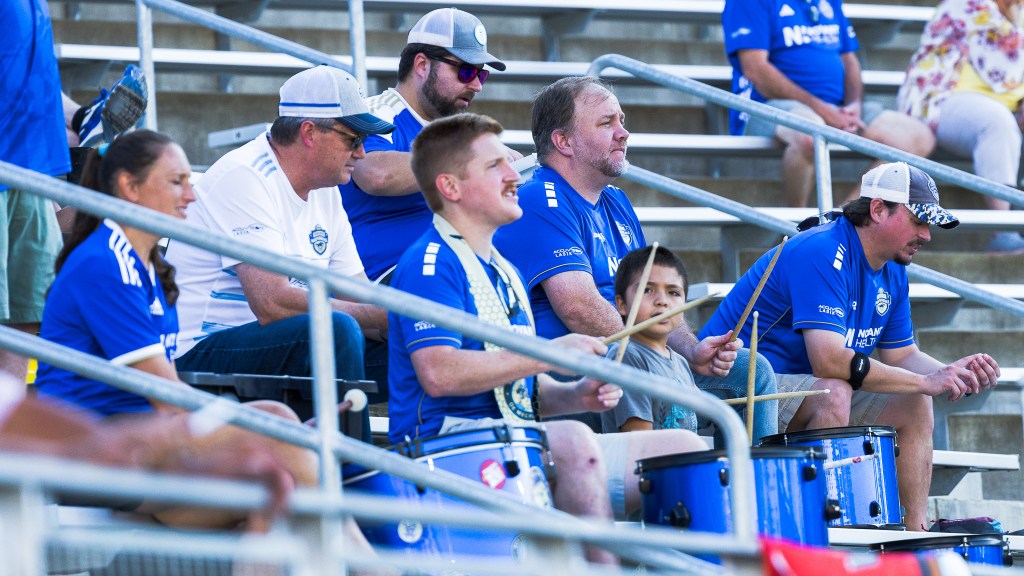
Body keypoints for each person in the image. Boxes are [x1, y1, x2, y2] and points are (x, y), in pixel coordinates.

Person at [389, 113, 707, 562]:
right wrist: (546, 353)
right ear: (451, 187)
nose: (513, 173)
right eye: (495, 165)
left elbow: (518, 392)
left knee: (683, 450)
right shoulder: (430, 262)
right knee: (574, 442)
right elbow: (440, 374)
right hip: (445, 452)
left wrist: (579, 394)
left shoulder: (505, 270)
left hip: (515, 438)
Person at [32, 130, 316, 530]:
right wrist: (267, 426)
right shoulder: (103, 263)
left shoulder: (148, 266)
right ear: (130, 187)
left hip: (142, 444)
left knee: (273, 479)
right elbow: (169, 399)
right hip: (95, 449)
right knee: (279, 430)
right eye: (176, 182)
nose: (191, 196)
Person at [698, 161, 1002, 531]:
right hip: (730, 386)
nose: (927, 235)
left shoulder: (894, 266)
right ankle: (820, 531)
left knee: (913, 400)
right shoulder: (822, 250)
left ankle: (915, 533)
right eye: (919, 221)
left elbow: (902, 355)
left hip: (801, 391)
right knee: (834, 391)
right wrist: (924, 380)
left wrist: (950, 373)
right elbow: (829, 361)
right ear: (877, 209)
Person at [493, 76, 778, 442]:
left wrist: (691, 352)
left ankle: (751, 491)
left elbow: (650, 298)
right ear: (563, 141)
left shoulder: (617, 202)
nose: (623, 133)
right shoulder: (538, 197)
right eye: (606, 123)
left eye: (622, 121)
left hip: (632, 356)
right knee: (640, 364)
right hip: (570, 369)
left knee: (749, 371)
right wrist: (656, 355)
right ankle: (660, 486)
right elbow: (578, 307)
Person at [165, 66, 395, 399]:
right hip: (199, 353)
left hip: (270, 344)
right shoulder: (244, 176)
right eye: (354, 139)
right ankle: (343, 451)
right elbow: (272, 303)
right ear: (310, 133)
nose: (361, 153)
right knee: (335, 329)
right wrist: (379, 315)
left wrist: (412, 321)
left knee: (415, 347)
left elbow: (357, 292)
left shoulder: (325, 188)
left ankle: (439, 445)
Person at [340, 7, 519, 283]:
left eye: (481, 75)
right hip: (384, 280)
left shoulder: (453, 135)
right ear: (422, 65)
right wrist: (468, 157)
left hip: (448, 268)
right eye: (466, 71)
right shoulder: (376, 112)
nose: (476, 85)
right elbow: (375, 175)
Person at [722, 0, 935, 207]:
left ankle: (844, 218)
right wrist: (823, 110)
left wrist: (854, 105)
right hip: (767, 106)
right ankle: (799, 229)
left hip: (837, 107)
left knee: (917, 137)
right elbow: (756, 70)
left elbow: (849, 59)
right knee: (810, 134)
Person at [897, 0, 1024, 253]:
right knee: (996, 121)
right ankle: (1004, 229)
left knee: (1001, 118)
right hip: (939, 98)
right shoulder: (967, 4)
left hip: (1003, 104)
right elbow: (1007, 56)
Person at [0, 0, 69, 381]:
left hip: (30, 169)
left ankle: (5, 425)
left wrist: (80, 117)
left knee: (29, 311)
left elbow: (31, 73)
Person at [599, 246, 701, 435]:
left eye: (673, 293)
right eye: (647, 289)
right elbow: (641, 442)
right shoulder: (627, 358)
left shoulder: (679, 362)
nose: (662, 301)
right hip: (649, 462)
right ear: (622, 305)